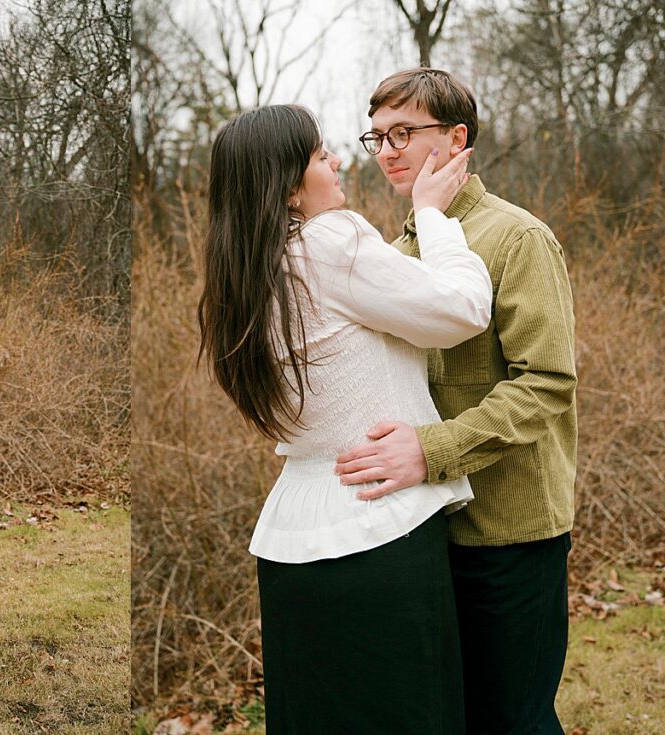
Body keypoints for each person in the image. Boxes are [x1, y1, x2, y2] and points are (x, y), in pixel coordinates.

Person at [198, 104, 491, 733]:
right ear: (287, 186)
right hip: (378, 530)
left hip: (292, 543)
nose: (336, 161)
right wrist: (432, 215)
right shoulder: (330, 241)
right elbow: (463, 308)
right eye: (319, 153)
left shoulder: (241, 276)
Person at [335, 68, 577, 734]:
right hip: (422, 529)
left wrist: (431, 448)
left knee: (514, 720)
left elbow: (546, 382)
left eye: (403, 133)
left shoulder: (517, 238)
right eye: (377, 137)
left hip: (508, 529)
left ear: (456, 139)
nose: (386, 151)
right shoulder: (395, 251)